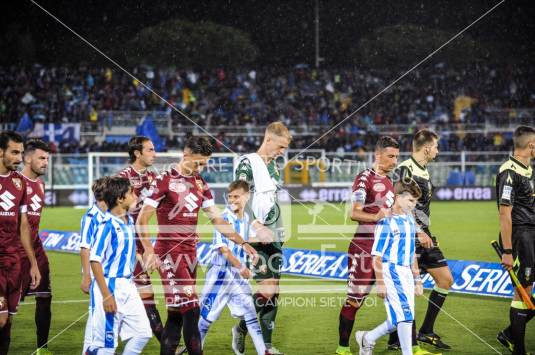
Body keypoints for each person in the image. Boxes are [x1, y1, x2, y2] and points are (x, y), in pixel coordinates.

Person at [136, 136, 257, 355]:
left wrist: (243, 241)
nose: (201, 167)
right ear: (186, 155)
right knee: (192, 309)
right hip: (169, 254)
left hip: (190, 256)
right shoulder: (165, 179)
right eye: (198, 162)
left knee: (175, 316)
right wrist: (150, 250)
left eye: (205, 163)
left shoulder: (200, 183)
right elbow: (142, 220)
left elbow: (217, 220)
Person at [334, 136, 398, 355]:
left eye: (397, 157)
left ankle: (395, 342)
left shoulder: (391, 182)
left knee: (396, 296)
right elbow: (354, 212)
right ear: (377, 155)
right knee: (355, 300)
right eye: (390, 156)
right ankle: (342, 348)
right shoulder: (364, 178)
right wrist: (380, 216)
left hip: (386, 250)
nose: (395, 161)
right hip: (363, 248)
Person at [232, 121, 291, 355]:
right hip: (254, 237)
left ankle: (266, 345)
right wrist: (257, 226)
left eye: (285, 148)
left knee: (274, 290)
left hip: (273, 234)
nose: (282, 152)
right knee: (267, 289)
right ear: (268, 140)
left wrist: (278, 228)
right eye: (281, 147)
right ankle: (242, 327)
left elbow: (271, 201)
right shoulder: (248, 163)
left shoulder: (274, 167)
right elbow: (238, 198)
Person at [393, 129, 453, 350]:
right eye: (436, 146)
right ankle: (402, 339)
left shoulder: (423, 170)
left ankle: (426, 331)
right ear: (427, 148)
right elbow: (399, 204)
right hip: (410, 237)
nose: (437, 150)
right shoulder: (405, 169)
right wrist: (418, 230)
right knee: (407, 290)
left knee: (445, 279)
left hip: (425, 235)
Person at [355, 180, 424, 355]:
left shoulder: (409, 219)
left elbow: (411, 251)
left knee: (399, 318)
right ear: (398, 198)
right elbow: (376, 257)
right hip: (391, 271)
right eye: (410, 201)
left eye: (415, 202)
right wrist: (380, 283)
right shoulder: (386, 223)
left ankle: (368, 338)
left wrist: (417, 279)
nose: (413, 205)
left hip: (406, 273)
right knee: (406, 317)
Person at [198, 180, 267, 355]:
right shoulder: (224, 218)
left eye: (236, 196)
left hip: (236, 275)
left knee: (250, 313)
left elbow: (246, 248)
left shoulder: (246, 219)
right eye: (230, 196)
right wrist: (242, 268)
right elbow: (224, 250)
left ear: (247, 196)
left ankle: (263, 351)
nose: (232, 200)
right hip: (220, 275)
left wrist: (257, 261)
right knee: (206, 319)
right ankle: (195, 349)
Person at [86, 177, 152, 354]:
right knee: (107, 346)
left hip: (128, 286)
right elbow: (95, 260)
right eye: (131, 192)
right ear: (119, 199)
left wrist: (141, 259)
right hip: (109, 286)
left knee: (143, 333)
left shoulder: (128, 221)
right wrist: (106, 295)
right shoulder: (106, 224)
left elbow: (123, 251)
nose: (134, 195)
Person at [117, 135, 163, 341]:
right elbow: (117, 215)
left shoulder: (154, 177)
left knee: (141, 292)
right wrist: (133, 250)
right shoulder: (123, 177)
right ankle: (165, 341)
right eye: (150, 150)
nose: (155, 153)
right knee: (141, 292)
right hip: (126, 244)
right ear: (137, 153)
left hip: (142, 242)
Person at [0, 131, 41, 354]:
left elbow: (24, 226)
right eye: (14, 153)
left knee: (8, 323)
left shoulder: (19, 182)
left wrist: (33, 263)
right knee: (1, 319)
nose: (19, 158)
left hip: (13, 260)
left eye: (21, 152)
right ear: (0, 152)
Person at [495, 126, 535, 355]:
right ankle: (518, 349)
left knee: (527, 291)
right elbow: (504, 213)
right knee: (523, 292)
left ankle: (509, 334)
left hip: (530, 233)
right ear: (530, 146)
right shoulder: (509, 171)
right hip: (520, 236)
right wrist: (507, 250)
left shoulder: (526, 170)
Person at [19, 139, 53, 354]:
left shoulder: (40, 185)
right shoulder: (12, 183)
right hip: (12, 249)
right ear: (27, 157)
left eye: (48, 159)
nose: (46, 163)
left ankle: (43, 348)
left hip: (35, 247)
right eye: (42, 158)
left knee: (45, 296)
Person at [80, 177, 109, 354]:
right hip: (97, 271)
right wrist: (86, 276)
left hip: (109, 271)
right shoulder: (91, 217)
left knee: (107, 313)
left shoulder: (111, 213)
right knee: (95, 313)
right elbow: (85, 247)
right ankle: (88, 349)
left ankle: (103, 347)